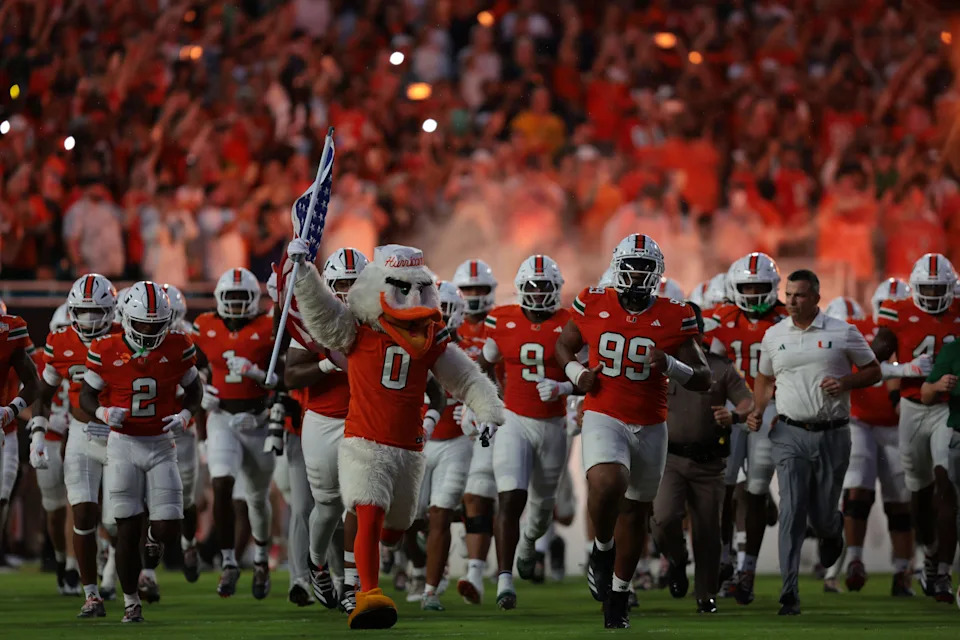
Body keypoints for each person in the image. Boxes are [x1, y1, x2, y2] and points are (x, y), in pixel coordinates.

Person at [288, 240, 504, 629]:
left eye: (417, 290)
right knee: (367, 510)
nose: (410, 300)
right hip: (364, 439)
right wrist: (304, 272)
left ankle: (377, 564)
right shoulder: (357, 328)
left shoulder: (431, 335)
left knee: (395, 528)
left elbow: (464, 376)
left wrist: (488, 409)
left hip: (408, 445)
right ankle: (365, 595)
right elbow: (320, 315)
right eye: (401, 289)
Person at [555, 233, 710, 629]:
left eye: (645, 266)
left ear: (656, 273)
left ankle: (619, 596)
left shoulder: (676, 314)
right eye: (632, 265)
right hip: (604, 412)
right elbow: (563, 347)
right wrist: (577, 374)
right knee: (608, 481)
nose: (638, 272)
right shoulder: (593, 301)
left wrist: (671, 366)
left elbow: (704, 378)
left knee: (637, 513)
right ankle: (601, 551)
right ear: (618, 267)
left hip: (652, 422)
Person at [748, 269, 881, 615]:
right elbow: (764, 378)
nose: (792, 301)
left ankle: (832, 531)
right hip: (789, 432)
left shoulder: (843, 332)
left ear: (816, 298)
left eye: (800, 295)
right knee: (792, 509)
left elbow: (874, 370)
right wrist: (759, 409)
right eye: (789, 294)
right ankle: (789, 590)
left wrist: (846, 383)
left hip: (833, 432)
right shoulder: (774, 334)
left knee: (822, 513)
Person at [79, 281, 203, 623]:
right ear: (126, 318)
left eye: (156, 324)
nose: (149, 331)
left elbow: (195, 389)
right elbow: (85, 396)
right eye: (142, 324)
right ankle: (131, 601)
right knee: (125, 529)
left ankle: (153, 538)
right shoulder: (105, 348)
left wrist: (185, 415)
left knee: (168, 526)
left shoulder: (179, 345)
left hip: (162, 444)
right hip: (123, 445)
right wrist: (103, 413)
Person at [480, 254, 570, 610]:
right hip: (514, 419)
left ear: (557, 288)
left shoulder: (571, 322)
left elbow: (591, 372)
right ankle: (504, 578)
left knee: (542, 507)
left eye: (545, 286)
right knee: (510, 497)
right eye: (532, 287)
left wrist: (564, 389)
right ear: (519, 289)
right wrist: (492, 400)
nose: (538, 293)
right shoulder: (501, 320)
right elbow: (484, 364)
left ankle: (531, 543)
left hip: (553, 422)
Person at [652, 303, 754, 614]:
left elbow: (747, 400)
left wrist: (734, 415)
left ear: (700, 332)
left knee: (708, 529)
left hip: (709, 460)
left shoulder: (720, 367)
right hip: (669, 457)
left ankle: (705, 594)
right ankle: (678, 558)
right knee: (663, 519)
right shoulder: (658, 365)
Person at [872, 254, 960, 601]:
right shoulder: (897, 311)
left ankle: (940, 571)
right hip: (912, 407)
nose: (934, 296)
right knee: (919, 494)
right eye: (927, 288)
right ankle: (928, 555)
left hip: (948, 410)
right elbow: (872, 361)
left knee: (946, 484)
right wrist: (905, 370)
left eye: (940, 289)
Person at [284, 248, 367, 611]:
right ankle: (316, 564)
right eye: (342, 284)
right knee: (329, 508)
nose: (348, 291)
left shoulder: (380, 319)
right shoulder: (312, 319)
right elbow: (289, 376)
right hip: (323, 421)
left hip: (364, 422)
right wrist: (326, 367)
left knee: (362, 504)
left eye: (355, 283)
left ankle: (352, 585)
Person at [822, 288, 916, 596]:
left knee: (901, 502)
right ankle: (855, 561)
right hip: (861, 418)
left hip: (898, 421)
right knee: (857, 491)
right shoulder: (855, 328)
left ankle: (903, 569)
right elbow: (865, 369)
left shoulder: (917, 329)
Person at [707, 252, 787, 605]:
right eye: (747, 286)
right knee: (723, 487)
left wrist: (766, 406)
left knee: (754, 488)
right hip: (730, 409)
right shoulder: (720, 318)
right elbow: (712, 369)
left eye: (759, 286)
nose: (753, 293)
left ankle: (747, 569)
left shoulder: (787, 319)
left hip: (770, 411)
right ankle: (725, 556)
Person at [37, 274, 120, 617]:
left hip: (121, 436)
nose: (89, 320)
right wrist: (38, 432)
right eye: (83, 312)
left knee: (117, 520)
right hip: (81, 433)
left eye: (96, 311)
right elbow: (41, 393)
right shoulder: (59, 343)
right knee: (82, 512)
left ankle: (126, 576)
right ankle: (90, 593)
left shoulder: (127, 336)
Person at [191, 267, 276, 599]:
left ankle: (259, 558)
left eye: (244, 297)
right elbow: (189, 369)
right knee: (221, 483)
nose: (238, 304)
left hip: (258, 420)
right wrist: (200, 388)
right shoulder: (204, 326)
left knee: (256, 499)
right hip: (222, 417)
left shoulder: (270, 326)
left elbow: (284, 375)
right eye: (232, 297)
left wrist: (260, 381)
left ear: (255, 299)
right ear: (219, 299)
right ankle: (228, 562)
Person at [414, 281, 481, 611]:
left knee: (439, 516)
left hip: (456, 440)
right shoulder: (412, 344)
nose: (439, 316)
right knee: (408, 520)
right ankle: (423, 567)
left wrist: (479, 412)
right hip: (419, 440)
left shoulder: (470, 348)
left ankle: (430, 590)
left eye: (446, 310)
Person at [451, 258, 500, 605]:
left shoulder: (501, 325)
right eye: (468, 289)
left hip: (485, 420)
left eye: (480, 289)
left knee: (478, 494)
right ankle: (420, 569)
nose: (473, 296)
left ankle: (474, 572)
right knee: (432, 506)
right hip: (444, 423)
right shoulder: (443, 323)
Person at [162, 283, 202, 583]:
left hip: (183, 428)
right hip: (148, 428)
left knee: (186, 497)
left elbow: (203, 383)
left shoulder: (191, 338)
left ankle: (188, 544)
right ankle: (147, 568)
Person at [919, 318, 960, 609]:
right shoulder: (954, 351)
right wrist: (938, 385)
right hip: (957, 434)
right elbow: (925, 393)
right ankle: (943, 571)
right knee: (948, 504)